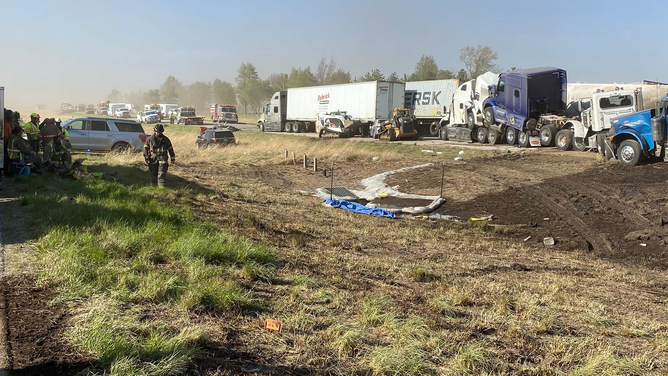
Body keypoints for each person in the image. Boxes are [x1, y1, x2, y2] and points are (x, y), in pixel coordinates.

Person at [3, 109, 12, 174]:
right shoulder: (6, 125)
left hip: (7, 142)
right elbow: (5, 136)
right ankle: (5, 170)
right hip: (5, 143)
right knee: (5, 157)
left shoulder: (8, 124)